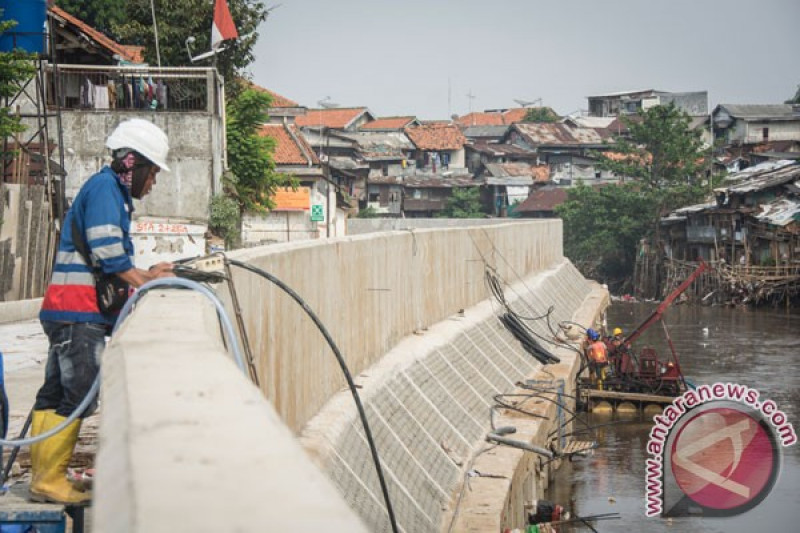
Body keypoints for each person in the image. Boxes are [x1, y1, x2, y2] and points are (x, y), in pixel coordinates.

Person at [30, 119, 175, 504]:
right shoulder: (106, 190)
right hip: (78, 314)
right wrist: (148, 281)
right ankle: (49, 479)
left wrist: (147, 273)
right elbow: (109, 255)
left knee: (57, 391)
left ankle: (45, 476)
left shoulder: (106, 190)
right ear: (134, 164)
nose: (153, 182)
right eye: (153, 172)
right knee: (79, 393)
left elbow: (107, 259)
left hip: (67, 309)